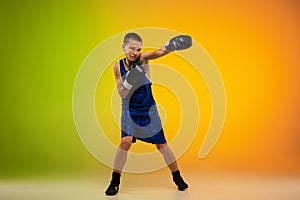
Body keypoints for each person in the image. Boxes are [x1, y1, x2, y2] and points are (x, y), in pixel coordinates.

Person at [105, 32, 192, 196]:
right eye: (131, 48)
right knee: (125, 142)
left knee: (162, 146)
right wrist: (131, 79)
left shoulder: (142, 59)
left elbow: (157, 53)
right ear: (124, 47)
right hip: (129, 109)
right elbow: (122, 93)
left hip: (148, 109)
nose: (135, 52)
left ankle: (177, 177)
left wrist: (171, 46)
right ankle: (114, 181)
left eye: (138, 49)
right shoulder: (117, 66)